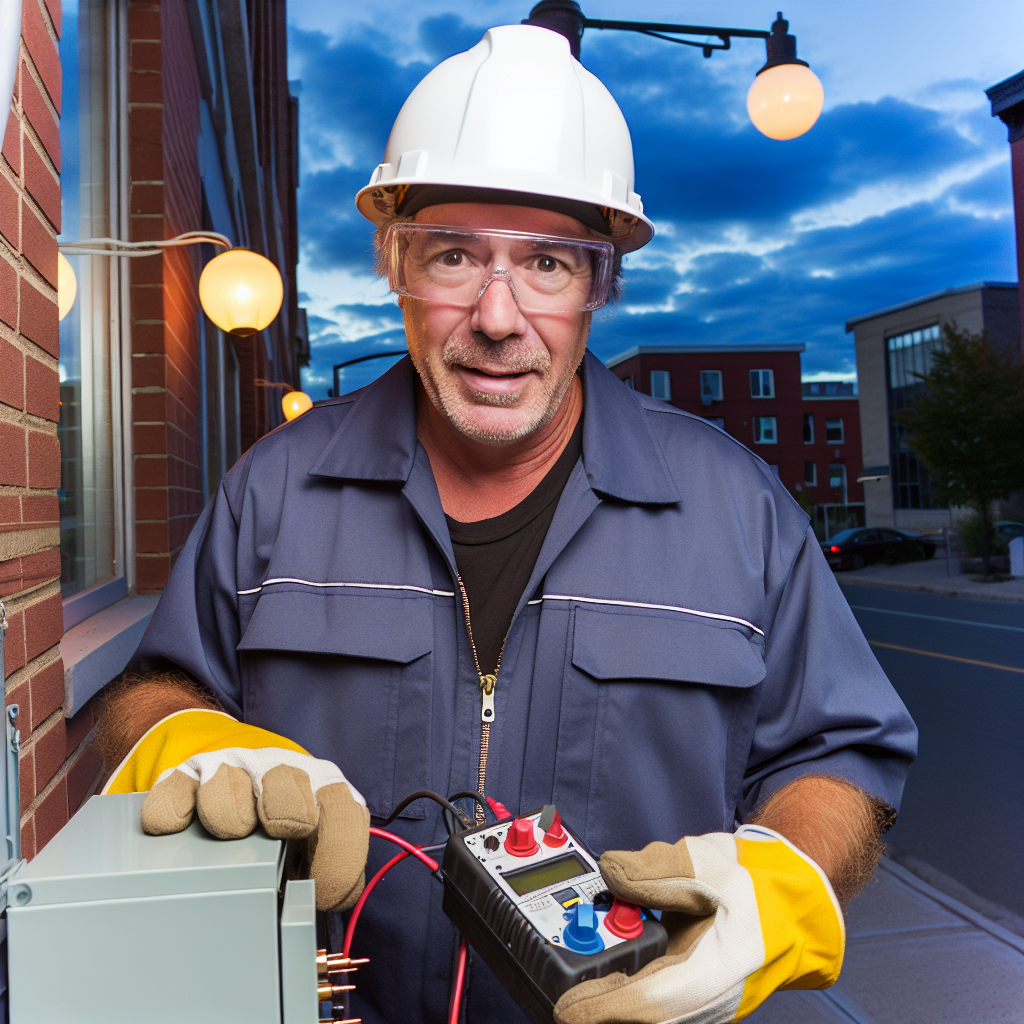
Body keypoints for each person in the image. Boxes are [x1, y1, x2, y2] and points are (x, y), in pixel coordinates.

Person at [99, 24, 917, 1024]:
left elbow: (841, 755)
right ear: (393, 267)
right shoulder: (273, 488)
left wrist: (780, 882)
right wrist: (188, 741)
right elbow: (155, 685)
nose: (495, 315)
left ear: (599, 286)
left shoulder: (733, 506)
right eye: (452, 256)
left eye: (546, 264)